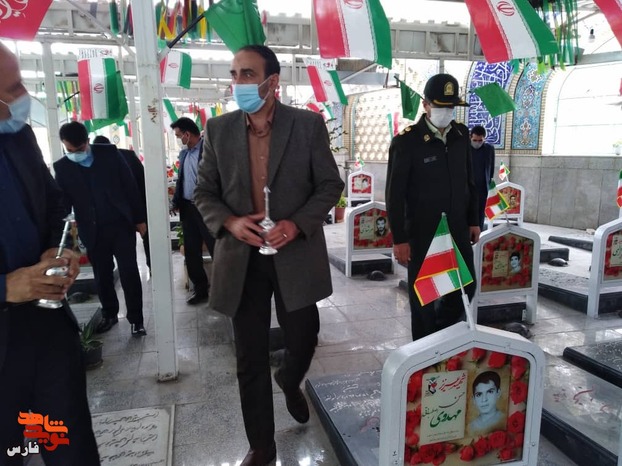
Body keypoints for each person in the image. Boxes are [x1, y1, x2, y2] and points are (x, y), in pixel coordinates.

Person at [194, 45, 344, 465]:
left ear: (272, 81)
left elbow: (329, 185)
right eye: (234, 74)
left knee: (304, 336)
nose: (238, 82)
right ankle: (262, 445)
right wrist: (229, 222)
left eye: (247, 74)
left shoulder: (307, 125)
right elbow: (203, 192)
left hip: (293, 253)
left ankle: (290, 379)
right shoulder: (218, 130)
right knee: (249, 356)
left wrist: (295, 224)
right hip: (242, 259)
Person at [0, 43, 100, 465]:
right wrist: (5, 287)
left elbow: (54, 201)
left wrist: (59, 248)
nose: (24, 96)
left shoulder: (18, 137)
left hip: (45, 328)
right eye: (12, 89)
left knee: (67, 444)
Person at [386, 73, 480, 341]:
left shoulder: (460, 135)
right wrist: (399, 239)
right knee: (423, 296)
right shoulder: (407, 141)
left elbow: (470, 181)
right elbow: (394, 194)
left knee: (466, 286)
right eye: (440, 106)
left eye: (451, 107)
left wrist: (473, 220)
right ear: (426, 104)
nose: (446, 112)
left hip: (457, 228)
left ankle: (441, 337)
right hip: (422, 232)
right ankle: (423, 351)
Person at [54, 121, 147, 336]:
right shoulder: (62, 168)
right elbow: (62, 205)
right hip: (92, 230)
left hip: (120, 225)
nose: (75, 154)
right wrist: (61, 238)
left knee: (129, 272)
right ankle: (109, 314)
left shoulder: (109, 154)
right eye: (70, 150)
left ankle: (136, 319)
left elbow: (130, 187)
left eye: (79, 149)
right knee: (102, 275)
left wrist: (139, 219)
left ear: (87, 141)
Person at [170, 117, 215, 304]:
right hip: (188, 208)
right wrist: (176, 201)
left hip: (208, 208)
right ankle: (200, 289)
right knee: (191, 250)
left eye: (179, 135)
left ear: (187, 134)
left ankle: (225, 289)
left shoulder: (209, 151)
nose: (178, 139)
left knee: (216, 247)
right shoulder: (184, 154)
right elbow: (181, 180)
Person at [92, 135, 151, 272]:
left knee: (142, 243)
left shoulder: (99, 159)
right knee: (144, 242)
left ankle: (152, 266)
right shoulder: (128, 155)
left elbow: (139, 183)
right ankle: (152, 267)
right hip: (133, 210)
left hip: (124, 215)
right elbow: (143, 182)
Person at [470, 125, 495, 229]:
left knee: (480, 215)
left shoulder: (489, 149)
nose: (477, 143)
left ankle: (478, 235)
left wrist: (489, 183)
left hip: (482, 190)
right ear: (470, 137)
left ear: (484, 138)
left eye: (480, 140)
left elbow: (491, 168)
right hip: (468, 189)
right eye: (474, 140)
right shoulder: (465, 148)